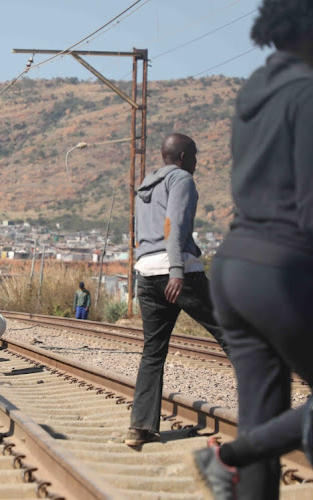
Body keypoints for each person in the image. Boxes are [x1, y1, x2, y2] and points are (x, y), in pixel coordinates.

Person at [189, 2, 313, 499]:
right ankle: (224, 456)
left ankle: (236, 458)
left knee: (261, 425)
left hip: (234, 272)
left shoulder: (252, 93)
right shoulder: (312, 95)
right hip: (281, 273)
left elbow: (274, 195)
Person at [124, 133, 231, 447]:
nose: (197, 162)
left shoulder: (146, 185)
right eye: (195, 155)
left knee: (153, 352)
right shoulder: (182, 179)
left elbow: (144, 234)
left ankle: (140, 427)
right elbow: (174, 226)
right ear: (183, 156)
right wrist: (176, 270)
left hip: (146, 273)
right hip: (177, 272)